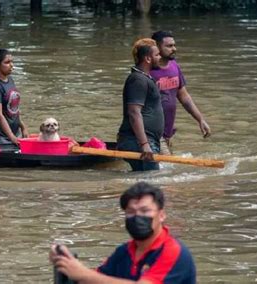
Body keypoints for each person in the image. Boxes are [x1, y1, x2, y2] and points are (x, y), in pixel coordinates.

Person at [50, 182, 196, 284]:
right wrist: (66, 263)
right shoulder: (124, 252)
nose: (138, 217)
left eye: (145, 211)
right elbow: (95, 279)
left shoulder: (173, 251)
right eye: (131, 212)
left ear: (161, 215)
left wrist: (82, 273)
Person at [150, 31, 211, 155]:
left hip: (167, 132)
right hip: (152, 132)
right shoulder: (147, 70)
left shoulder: (174, 66)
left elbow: (184, 96)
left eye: (174, 45)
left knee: (166, 170)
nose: (174, 49)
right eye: (169, 46)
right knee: (166, 170)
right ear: (156, 47)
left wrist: (200, 119)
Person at [117, 38, 164, 171]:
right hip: (137, 142)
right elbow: (134, 112)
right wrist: (144, 144)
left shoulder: (144, 78)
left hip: (144, 141)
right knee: (150, 182)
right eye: (157, 55)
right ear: (148, 59)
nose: (160, 57)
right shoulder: (138, 80)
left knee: (146, 180)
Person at [0, 49, 28, 145]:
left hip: (14, 134)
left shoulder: (10, 80)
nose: (11, 65)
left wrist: (23, 127)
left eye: (12, 61)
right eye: (7, 62)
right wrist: (12, 137)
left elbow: (14, 109)